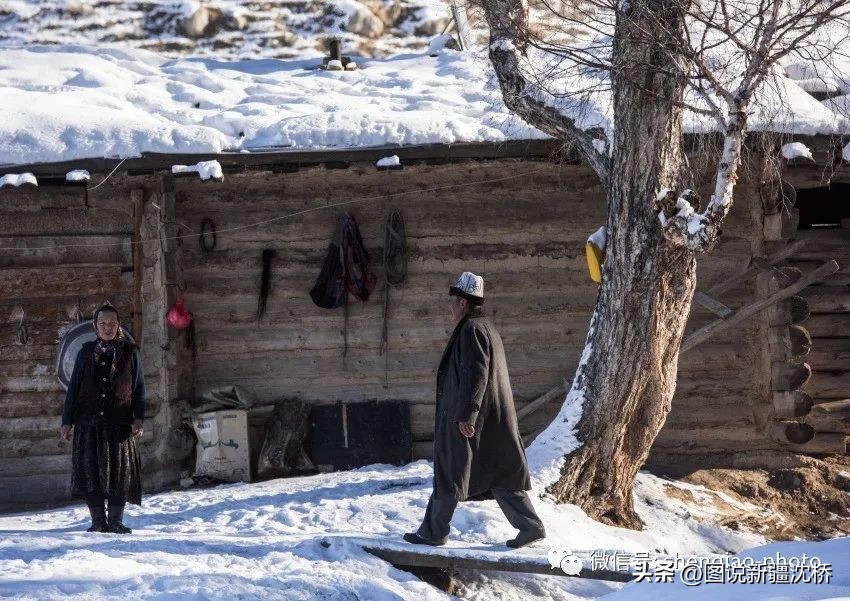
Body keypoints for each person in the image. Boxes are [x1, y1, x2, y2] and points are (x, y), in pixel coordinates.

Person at [405, 272, 546, 549]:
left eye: (453, 301)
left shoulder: (471, 331)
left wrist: (467, 414)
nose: (450, 307)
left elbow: (476, 375)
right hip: (486, 418)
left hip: (469, 419)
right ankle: (530, 527)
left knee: (450, 470)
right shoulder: (485, 328)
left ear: (462, 303)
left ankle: (434, 532)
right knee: (498, 472)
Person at [60, 302, 145, 534]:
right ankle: (98, 521)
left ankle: (115, 520)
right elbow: (74, 388)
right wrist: (67, 421)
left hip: (119, 422)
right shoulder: (85, 352)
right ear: (96, 327)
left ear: (119, 326)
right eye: (103, 323)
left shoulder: (131, 351)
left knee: (120, 473)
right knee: (90, 471)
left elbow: (138, 388)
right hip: (88, 422)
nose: (108, 327)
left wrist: (139, 418)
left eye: (112, 323)